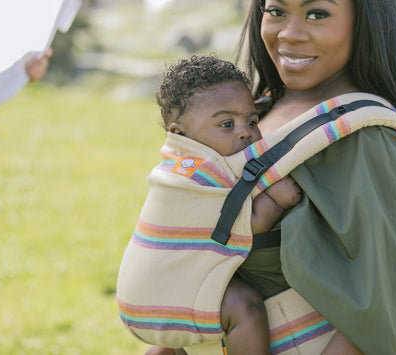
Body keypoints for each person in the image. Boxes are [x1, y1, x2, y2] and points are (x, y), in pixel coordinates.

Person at [228, 0, 396, 353]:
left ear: (366, 23)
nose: (289, 33)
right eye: (276, 11)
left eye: (317, 14)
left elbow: (383, 308)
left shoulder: (365, 137)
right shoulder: (254, 112)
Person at [117, 55, 301, 355]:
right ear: (180, 134)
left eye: (252, 121)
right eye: (226, 124)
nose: (245, 132)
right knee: (244, 306)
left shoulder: (178, 165)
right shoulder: (198, 174)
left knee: (175, 348)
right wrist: (277, 200)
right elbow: (244, 223)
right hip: (166, 296)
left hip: (148, 296)